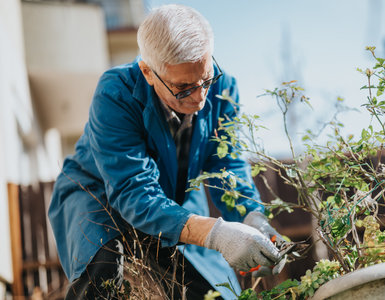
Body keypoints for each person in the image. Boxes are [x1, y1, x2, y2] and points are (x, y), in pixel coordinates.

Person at [48, 4, 284, 300]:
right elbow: (134, 192)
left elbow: (228, 165)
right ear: (148, 72)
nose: (200, 97)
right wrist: (217, 233)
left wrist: (252, 219)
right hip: (99, 196)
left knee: (210, 291)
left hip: (176, 199)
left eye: (205, 79)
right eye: (183, 88)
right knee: (103, 272)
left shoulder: (223, 90)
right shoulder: (115, 94)